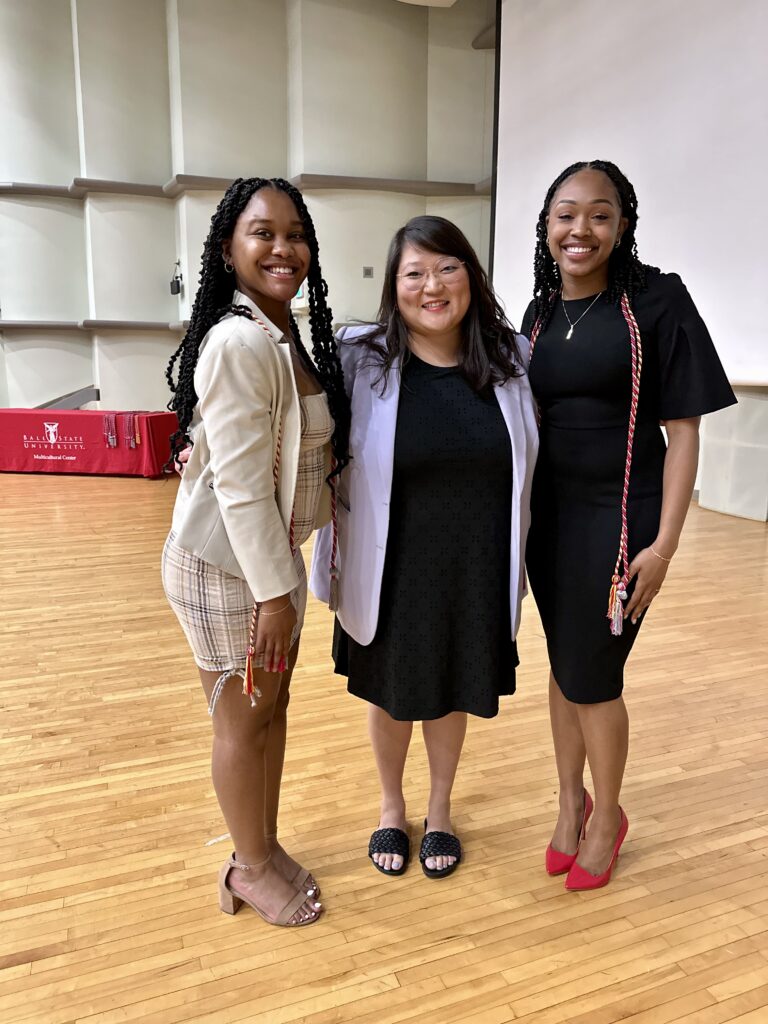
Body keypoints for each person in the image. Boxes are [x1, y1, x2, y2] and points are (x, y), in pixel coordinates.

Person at [522, 160, 736, 890]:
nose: (581, 229)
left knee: (596, 676)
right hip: (548, 519)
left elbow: (684, 430)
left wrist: (667, 543)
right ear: (547, 225)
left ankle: (608, 816)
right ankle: (567, 801)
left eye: (600, 214)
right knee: (563, 663)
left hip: (621, 519)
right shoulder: (541, 311)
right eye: (566, 214)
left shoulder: (656, 301)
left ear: (622, 224)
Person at [311, 216, 539, 879]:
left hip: (474, 562)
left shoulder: (510, 360)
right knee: (390, 693)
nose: (432, 286)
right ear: (394, 286)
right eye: (414, 273)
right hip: (392, 561)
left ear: (470, 275)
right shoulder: (362, 359)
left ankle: (440, 810)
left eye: (447, 268)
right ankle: (391, 805)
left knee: (451, 691)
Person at [162, 177, 350, 925]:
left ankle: (262, 846)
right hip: (229, 569)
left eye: (295, 234)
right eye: (262, 233)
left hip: (273, 561)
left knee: (272, 709)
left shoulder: (281, 331)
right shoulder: (241, 340)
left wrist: (285, 582)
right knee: (242, 719)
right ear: (227, 248)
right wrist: (275, 595)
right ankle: (248, 867)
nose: (283, 248)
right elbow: (240, 490)